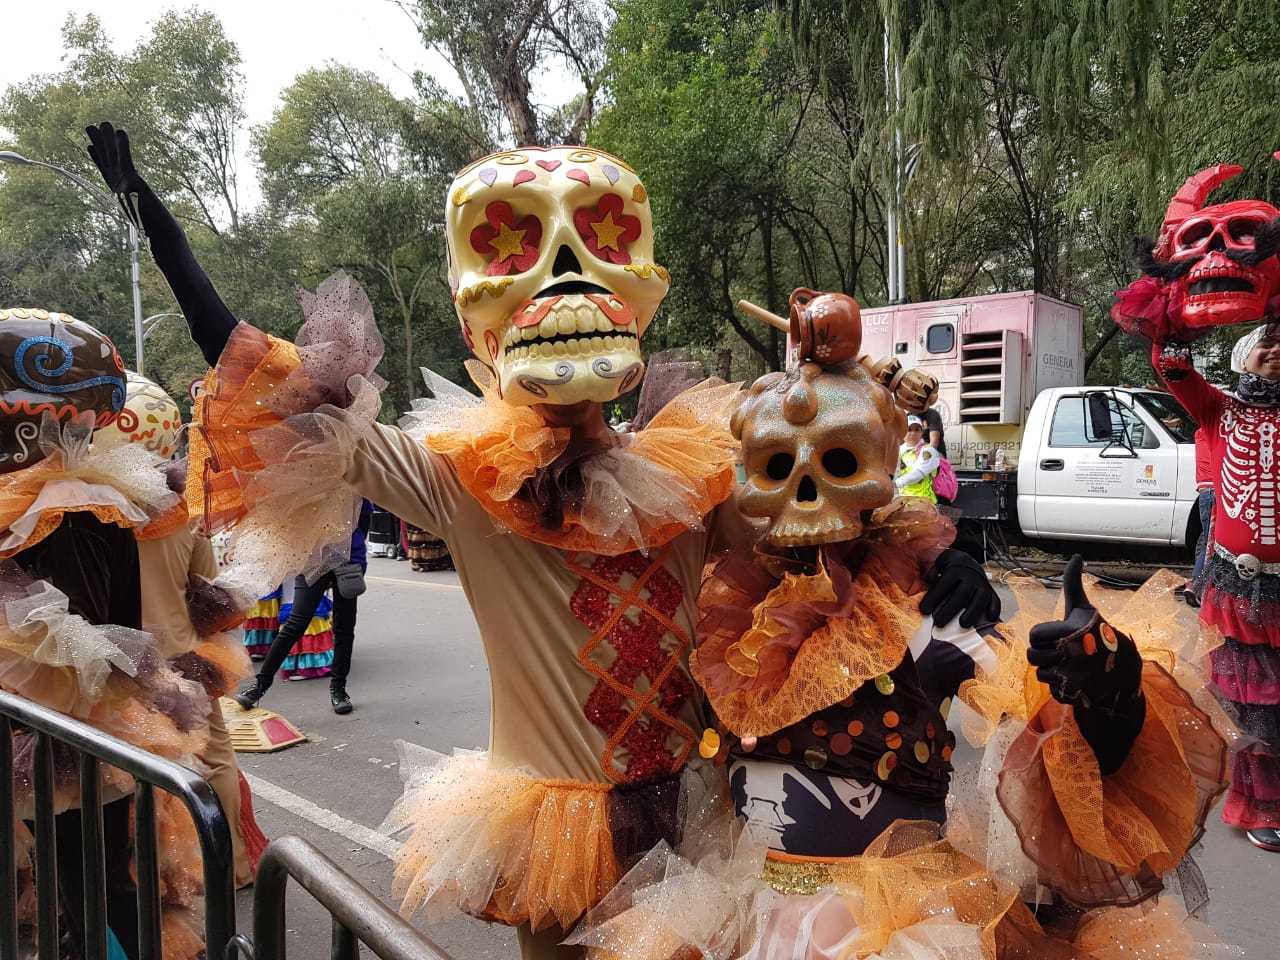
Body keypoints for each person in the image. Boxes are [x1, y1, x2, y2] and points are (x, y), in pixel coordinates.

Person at [86, 124, 994, 960]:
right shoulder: (462, 479)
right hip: (550, 825)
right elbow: (288, 388)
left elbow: (812, 534)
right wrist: (162, 232)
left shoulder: (691, 472)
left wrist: (930, 556)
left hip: (694, 804)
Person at [93, 371, 268, 889]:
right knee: (214, 761)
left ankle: (160, 881)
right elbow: (210, 591)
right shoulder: (182, 508)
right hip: (187, 660)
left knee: (136, 779)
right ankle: (232, 866)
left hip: (117, 668)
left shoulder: (80, 514)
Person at [1150, 324, 1280, 852]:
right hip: (1239, 590)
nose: (1276, 351)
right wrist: (1172, 311)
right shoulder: (1218, 411)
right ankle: (1259, 805)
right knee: (1254, 708)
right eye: (1266, 343)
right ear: (1244, 358)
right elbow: (1172, 365)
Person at [231, 499, 372, 714]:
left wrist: (355, 553)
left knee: (344, 627)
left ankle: (339, 689)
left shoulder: (355, 482)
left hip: (349, 559)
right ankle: (259, 687)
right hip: (312, 559)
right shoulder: (307, 483)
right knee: (296, 622)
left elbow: (363, 520)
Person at [1187, 424, 1214, 605]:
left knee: (1208, 542)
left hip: (1205, 493)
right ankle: (1198, 586)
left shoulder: (1199, 434)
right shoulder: (1218, 433)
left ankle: (1197, 586)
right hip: (1220, 491)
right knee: (1219, 545)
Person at [894, 414, 940, 502]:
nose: (913, 433)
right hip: (905, 502)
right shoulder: (899, 450)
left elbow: (917, 475)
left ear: (921, 432)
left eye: (917, 430)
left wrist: (894, 484)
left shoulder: (928, 450)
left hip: (924, 502)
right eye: (909, 429)